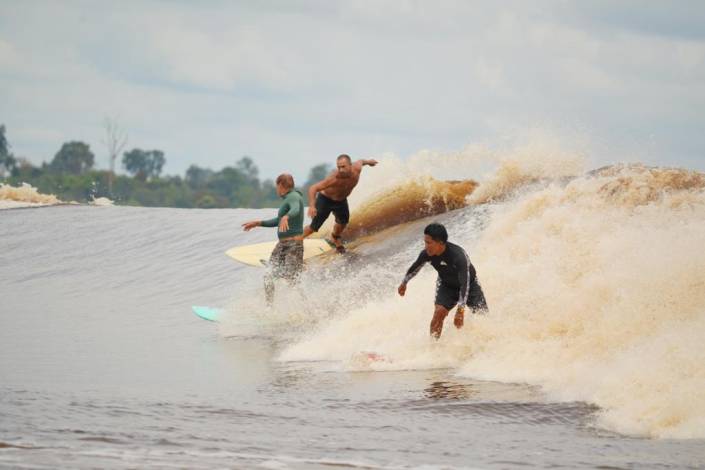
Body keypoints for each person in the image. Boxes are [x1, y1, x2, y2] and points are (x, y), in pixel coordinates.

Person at [397, 223, 488, 339]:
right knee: (439, 312)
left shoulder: (458, 256)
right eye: (425, 242)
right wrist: (404, 283)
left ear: (440, 243)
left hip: (469, 285)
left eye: (429, 243)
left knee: (483, 317)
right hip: (446, 285)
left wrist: (460, 310)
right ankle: (434, 346)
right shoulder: (427, 254)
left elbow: (465, 282)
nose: (426, 246)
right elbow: (415, 268)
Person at [242, 174, 304, 305]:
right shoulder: (288, 198)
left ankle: (305, 307)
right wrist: (258, 223)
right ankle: (269, 307)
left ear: (281, 185)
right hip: (282, 244)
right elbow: (278, 220)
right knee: (268, 274)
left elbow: (296, 210)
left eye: (277, 186)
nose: (277, 189)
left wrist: (287, 216)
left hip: (293, 244)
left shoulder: (294, 197)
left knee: (292, 278)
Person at [299, 154, 378, 253]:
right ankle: (296, 241)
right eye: (338, 167)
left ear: (350, 165)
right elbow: (313, 188)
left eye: (343, 167)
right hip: (325, 200)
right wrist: (312, 206)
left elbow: (361, 161)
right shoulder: (334, 178)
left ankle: (335, 237)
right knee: (313, 228)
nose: (340, 170)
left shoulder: (357, 168)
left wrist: (369, 162)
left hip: (341, 201)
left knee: (343, 222)